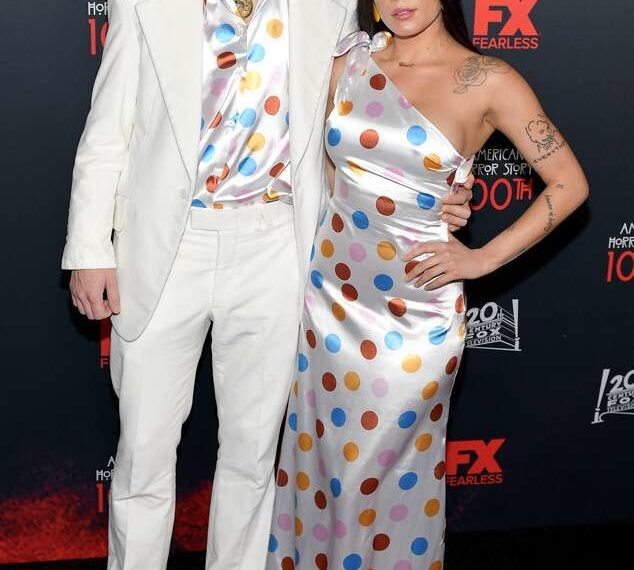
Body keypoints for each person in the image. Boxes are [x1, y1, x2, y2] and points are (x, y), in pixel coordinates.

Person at [61, 0, 474, 568]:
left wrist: (439, 184)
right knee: (142, 453)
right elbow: (107, 132)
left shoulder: (331, 9)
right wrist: (89, 249)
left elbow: (371, 116)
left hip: (276, 245)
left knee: (253, 457)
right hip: (166, 246)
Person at [266, 0, 589, 569]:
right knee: (323, 472)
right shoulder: (349, 62)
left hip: (415, 318)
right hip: (327, 304)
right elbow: (328, 176)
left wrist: (482, 259)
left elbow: (569, 184)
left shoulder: (488, 79)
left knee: (372, 479)